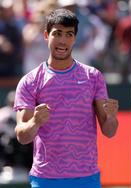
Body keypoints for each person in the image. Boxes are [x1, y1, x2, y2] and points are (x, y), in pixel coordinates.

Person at [13, 8, 119, 188]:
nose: (63, 40)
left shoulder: (93, 77)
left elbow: (109, 131)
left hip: (87, 178)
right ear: (46, 35)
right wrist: (35, 122)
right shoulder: (30, 81)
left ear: (75, 38)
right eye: (57, 33)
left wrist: (111, 117)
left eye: (69, 34)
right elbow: (22, 136)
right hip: (45, 179)